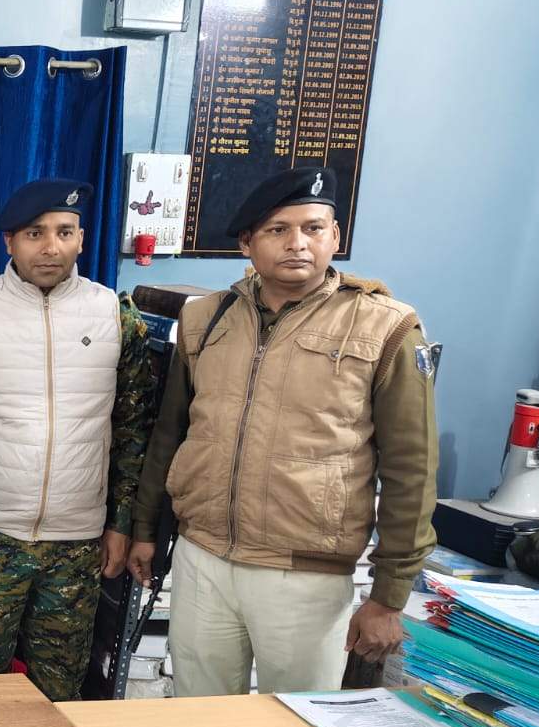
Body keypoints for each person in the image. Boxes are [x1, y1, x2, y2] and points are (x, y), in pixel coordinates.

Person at [128, 167, 438, 696]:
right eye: (277, 230)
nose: (297, 243)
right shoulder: (206, 319)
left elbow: (412, 468)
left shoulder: (384, 327)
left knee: (299, 726)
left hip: (305, 575)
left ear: (334, 236)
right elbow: (172, 434)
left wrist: (389, 595)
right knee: (197, 719)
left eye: (313, 228)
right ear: (246, 243)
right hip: (203, 558)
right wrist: (145, 528)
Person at [0, 179, 155, 701]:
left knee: (59, 695)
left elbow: (132, 429)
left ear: (82, 239)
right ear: (10, 241)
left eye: (64, 232)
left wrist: (120, 523)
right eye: (35, 233)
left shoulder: (115, 316)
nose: (51, 247)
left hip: (77, 543)